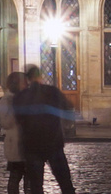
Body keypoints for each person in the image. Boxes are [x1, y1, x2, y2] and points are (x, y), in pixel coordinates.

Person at [14, 64, 77, 194]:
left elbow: (18, 118)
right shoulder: (52, 91)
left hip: (32, 144)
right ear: (40, 76)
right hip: (53, 142)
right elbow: (68, 108)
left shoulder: (21, 96)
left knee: (36, 186)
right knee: (65, 182)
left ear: (28, 79)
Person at [0, 71, 27, 194]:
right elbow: (6, 122)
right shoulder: (7, 100)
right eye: (23, 83)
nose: (26, 85)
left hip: (28, 144)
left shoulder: (23, 98)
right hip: (16, 145)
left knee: (29, 179)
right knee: (15, 177)